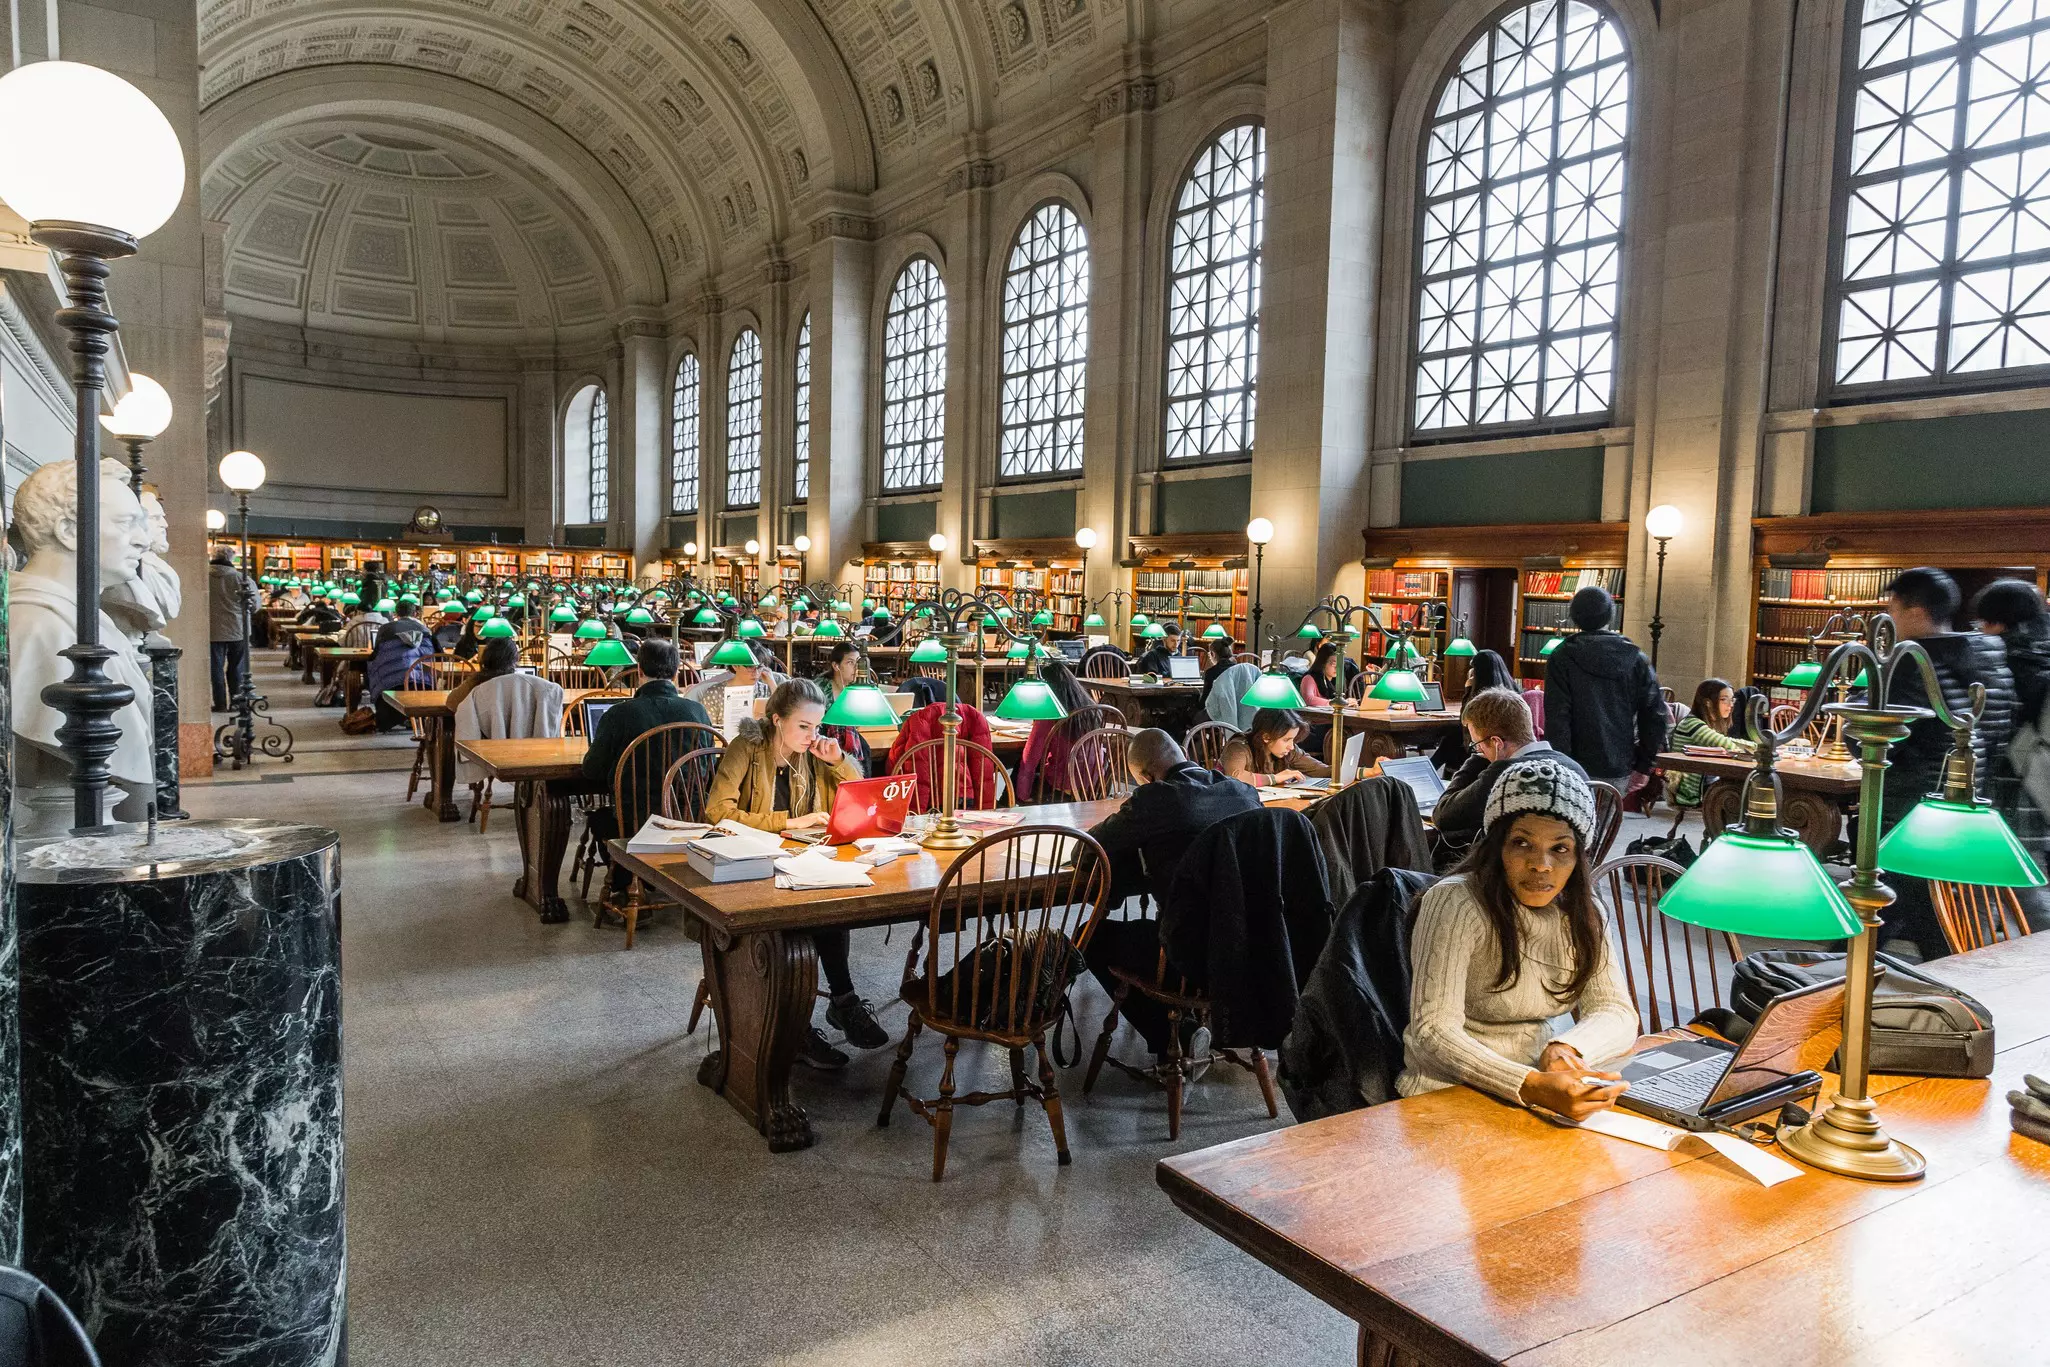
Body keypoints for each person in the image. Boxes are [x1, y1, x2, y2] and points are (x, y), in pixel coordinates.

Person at [1399, 759, 1637, 1119]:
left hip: (1539, 1093)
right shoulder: (1455, 902)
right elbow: (1434, 1030)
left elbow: (1616, 1011)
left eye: (1560, 848)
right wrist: (1528, 1084)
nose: (1541, 865)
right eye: (1522, 843)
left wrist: (1565, 1050)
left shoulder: (1584, 913)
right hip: (1445, 1095)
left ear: (1578, 857)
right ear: (1496, 846)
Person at [703, 678, 884, 1070]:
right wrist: (789, 821)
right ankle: (802, 1025)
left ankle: (841, 1003)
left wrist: (838, 762)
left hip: (802, 862)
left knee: (830, 908)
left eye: (816, 726)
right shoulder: (747, 749)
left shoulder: (815, 755)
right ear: (776, 720)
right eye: (803, 726)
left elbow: (863, 798)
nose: (811, 735)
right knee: (807, 922)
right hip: (751, 869)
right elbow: (718, 812)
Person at [1083, 729, 1263, 1056]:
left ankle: (1177, 1034)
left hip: (1188, 957)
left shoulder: (1157, 798)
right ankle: (1191, 1024)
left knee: (1089, 936)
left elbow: (1089, 847)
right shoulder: (1244, 793)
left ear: (1148, 777)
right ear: (1182, 751)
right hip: (1252, 948)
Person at [1876, 568, 2019, 957]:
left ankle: (1818, 983)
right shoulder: (1988, 654)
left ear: (1916, 611)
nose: (1891, 618)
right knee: (1918, 910)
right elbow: (2000, 724)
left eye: (1894, 608)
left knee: (1907, 907)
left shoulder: (1908, 662)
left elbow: (1883, 743)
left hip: (1911, 810)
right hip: (1967, 802)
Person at [1541, 585, 1667, 792]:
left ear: (1574, 617)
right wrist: (1645, 765)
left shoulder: (1562, 657)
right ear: (1611, 615)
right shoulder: (1636, 658)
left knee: (1574, 823)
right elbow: (1654, 715)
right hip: (1620, 763)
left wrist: (1560, 765)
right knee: (1609, 820)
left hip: (1573, 764)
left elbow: (1557, 718)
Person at [1432, 687, 1586, 852]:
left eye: (1476, 744)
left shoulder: (1505, 774)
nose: (1477, 750)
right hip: (1569, 868)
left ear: (1497, 742)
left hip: (1515, 872)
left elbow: (1443, 815)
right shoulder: (1573, 767)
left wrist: (1478, 757)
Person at [1975, 579, 2050, 875]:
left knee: (2002, 865)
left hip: (2012, 773)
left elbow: (1991, 724)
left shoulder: (2000, 660)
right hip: (2041, 774)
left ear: (1996, 622)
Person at [1015, 659, 1100, 801]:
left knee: (1020, 766)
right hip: (1094, 782)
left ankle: (1009, 808)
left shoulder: (1050, 714)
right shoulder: (1092, 709)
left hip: (1063, 785)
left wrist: (1023, 796)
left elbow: (1030, 758)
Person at [1667, 678, 1755, 810]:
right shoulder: (1692, 724)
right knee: (1745, 792)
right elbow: (1728, 744)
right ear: (1708, 703)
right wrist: (1761, 746)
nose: (1730, 705)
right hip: (1689, 793)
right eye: (1724, 699)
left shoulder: (1707, 724)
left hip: (1703, 784)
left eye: (1732, 700)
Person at [1431, 648, 1515, 774]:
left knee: (1451, 739)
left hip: (1480, 745)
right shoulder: (1513, 689)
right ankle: (1430, 769)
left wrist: (1468, 688)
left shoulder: (1482, 693)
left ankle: (1429, 771)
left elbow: (1465, 719)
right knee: (1452, 738)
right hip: (1505, 746)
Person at [367, 602, 439, 730]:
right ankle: (419, 717)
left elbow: (377, 652)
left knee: (374, 668)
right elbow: (437, 654)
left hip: (391, 680)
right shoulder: (425, 630)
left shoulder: (386, 629)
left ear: (396, 614)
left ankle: (388, 717)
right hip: (422, 679)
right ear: (415, 614)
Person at [685, 645, 788, 733]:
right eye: (749, 667)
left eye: (759, 667)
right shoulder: (715, 692)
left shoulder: (766, 690)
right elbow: (709, 730)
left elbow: (784, 718)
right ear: (735, 666)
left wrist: (772, 683)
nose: (756, 673)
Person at [208, 547, 262, 713]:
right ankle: (237, 701)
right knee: (237, 667)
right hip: (238, 628)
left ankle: (220, 703)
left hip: (212, 629)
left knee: (215, 668)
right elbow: (255, 605)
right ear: (232, 559)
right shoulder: (241, 578)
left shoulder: (203, 577)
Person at [1219, 708, 1330, 785]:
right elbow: (1235, 777)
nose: (1291, 746)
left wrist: (1344, 770)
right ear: (1266, 737)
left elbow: (1320, 770)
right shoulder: (1238, 748)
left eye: (1293, 739)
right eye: (1286, 740)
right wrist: (1275, 778)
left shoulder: (1289, 750)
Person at [813, 641, 873, 773]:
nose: (856, 668)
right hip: (822, 737)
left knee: (865, 748)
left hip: (847, 734)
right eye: (850, 662)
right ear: (836, 666)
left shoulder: (858, 687)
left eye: (858, 662)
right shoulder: (819, 689)